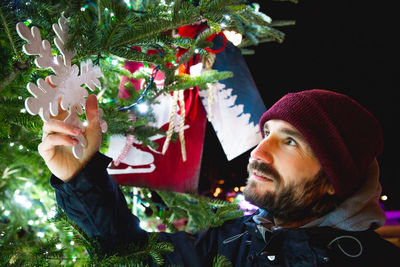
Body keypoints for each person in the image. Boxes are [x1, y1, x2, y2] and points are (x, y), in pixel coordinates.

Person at [39, 89, 400, 266]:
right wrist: (81, 177)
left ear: (333, 178)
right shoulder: (231, 240)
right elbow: (132, 255)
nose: (259, 153)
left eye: (290, 141)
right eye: (267, 134)